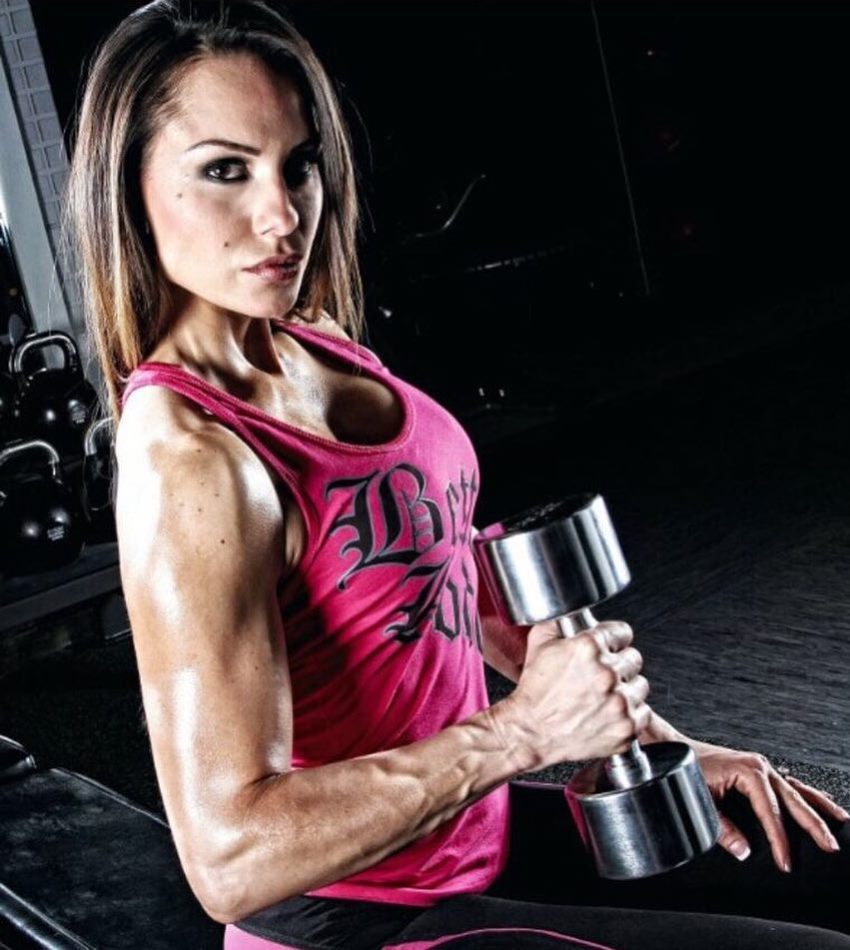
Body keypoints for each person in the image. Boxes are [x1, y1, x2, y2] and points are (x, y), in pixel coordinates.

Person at [65, 2, 850, 947]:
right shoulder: (190, 456)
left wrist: (660, 744)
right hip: (356, 918)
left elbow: (439, 579)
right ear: (130, 190)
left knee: (829, 864)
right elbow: (231, 857)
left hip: (471, 835)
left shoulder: (315, 346)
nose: (282, 216)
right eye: (225, 170)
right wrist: (525, 735)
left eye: (300, 164)